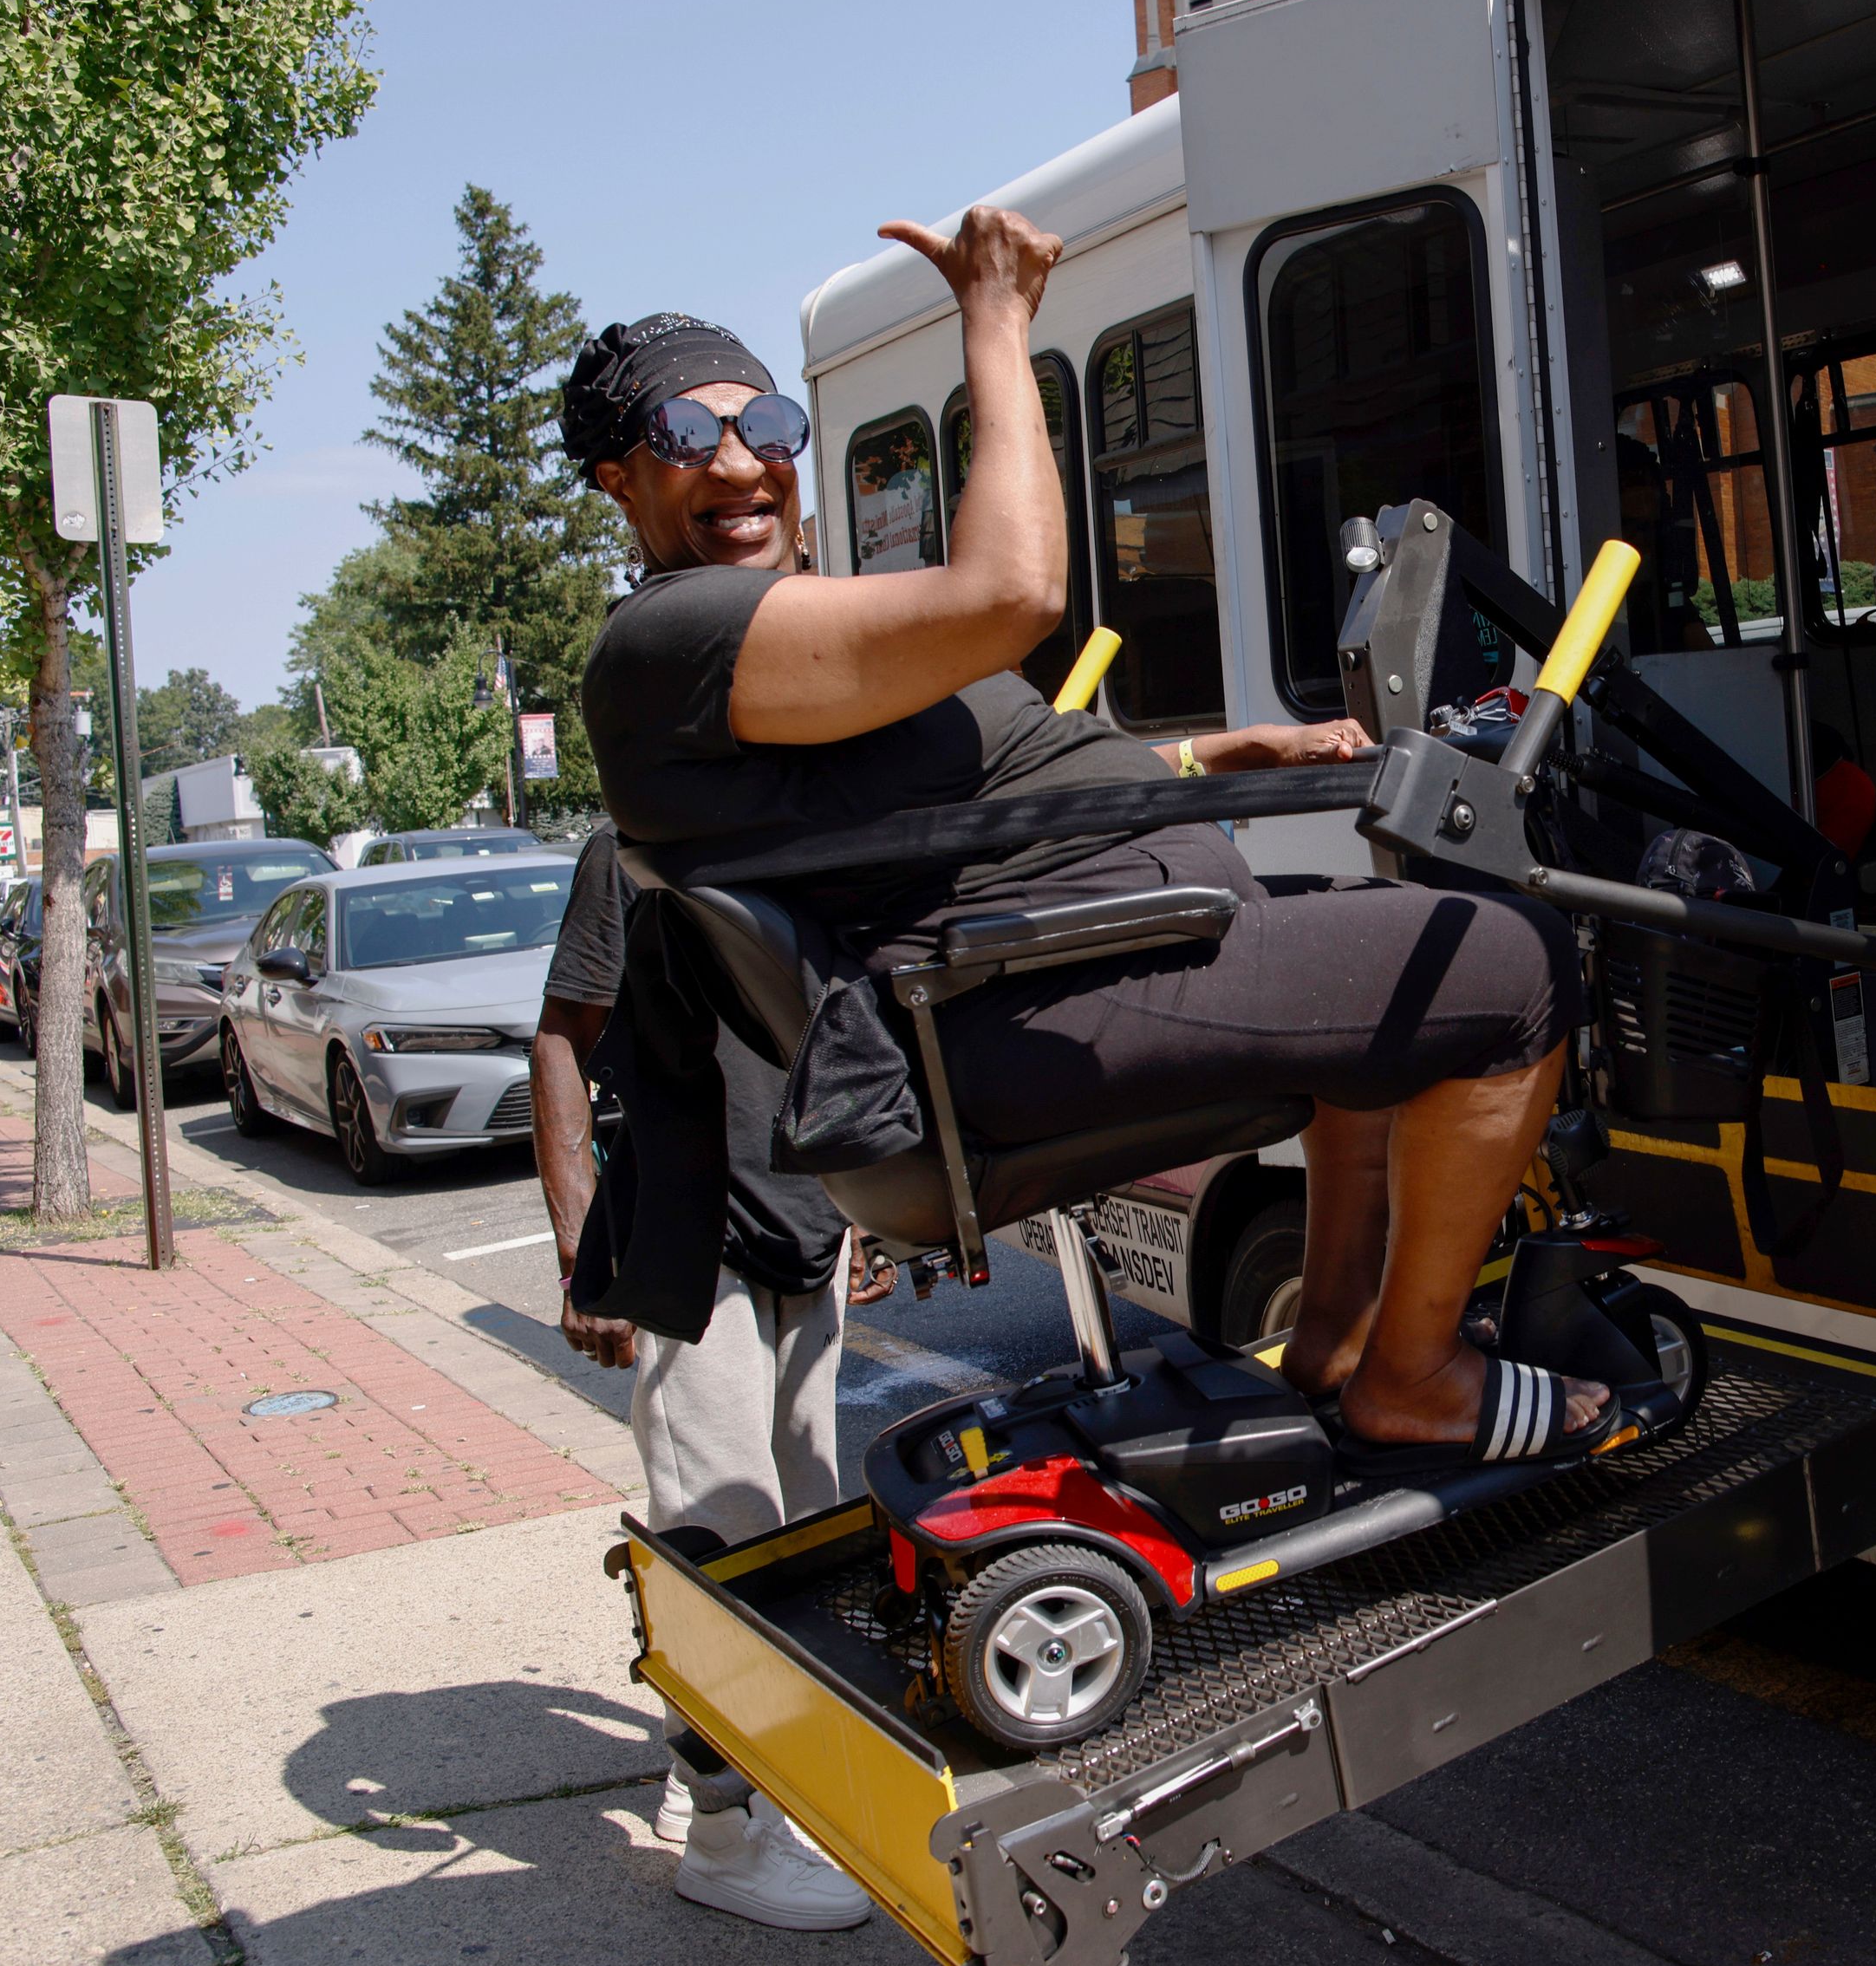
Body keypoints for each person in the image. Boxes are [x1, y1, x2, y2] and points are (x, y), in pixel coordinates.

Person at [560, 205, 1623, 1470]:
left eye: (768, 425)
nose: (742, 462)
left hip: (1048, 969)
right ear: (619, 479)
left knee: (1370, 963)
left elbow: (951, 801)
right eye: (689, 433)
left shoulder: (766, 642)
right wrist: (997, 318)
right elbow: (1014, 595)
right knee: (1509, 962)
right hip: (1014, 1003)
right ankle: (1417, 1374)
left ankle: (1343, 1337)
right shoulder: (667, 641)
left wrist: (1210, 756)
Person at [533, 824, 877, 1933]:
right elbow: (561, 1037)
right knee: (721, 1541)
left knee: (810, 1532)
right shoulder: (633, 847)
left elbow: (838, 1031)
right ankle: (729, 1838)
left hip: (808, 1228)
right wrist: (583, 1248)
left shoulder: (817, 827)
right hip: (692, 1245)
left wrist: (866, 1208)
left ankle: (726, 1782)